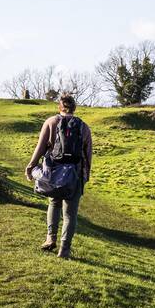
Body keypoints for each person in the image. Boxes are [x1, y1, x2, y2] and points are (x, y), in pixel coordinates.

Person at [24, 93, 92, 259]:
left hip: (53, 173)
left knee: (54, 203)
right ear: (74, 108)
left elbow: (40, 147)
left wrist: (31, 166)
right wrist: (86, 175)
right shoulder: (83, 127)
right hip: (74, 175)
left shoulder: (51, 122)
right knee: (70, 213)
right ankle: (65, 249)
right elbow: (88, 154)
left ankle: (50, 239)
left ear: (59, 107)